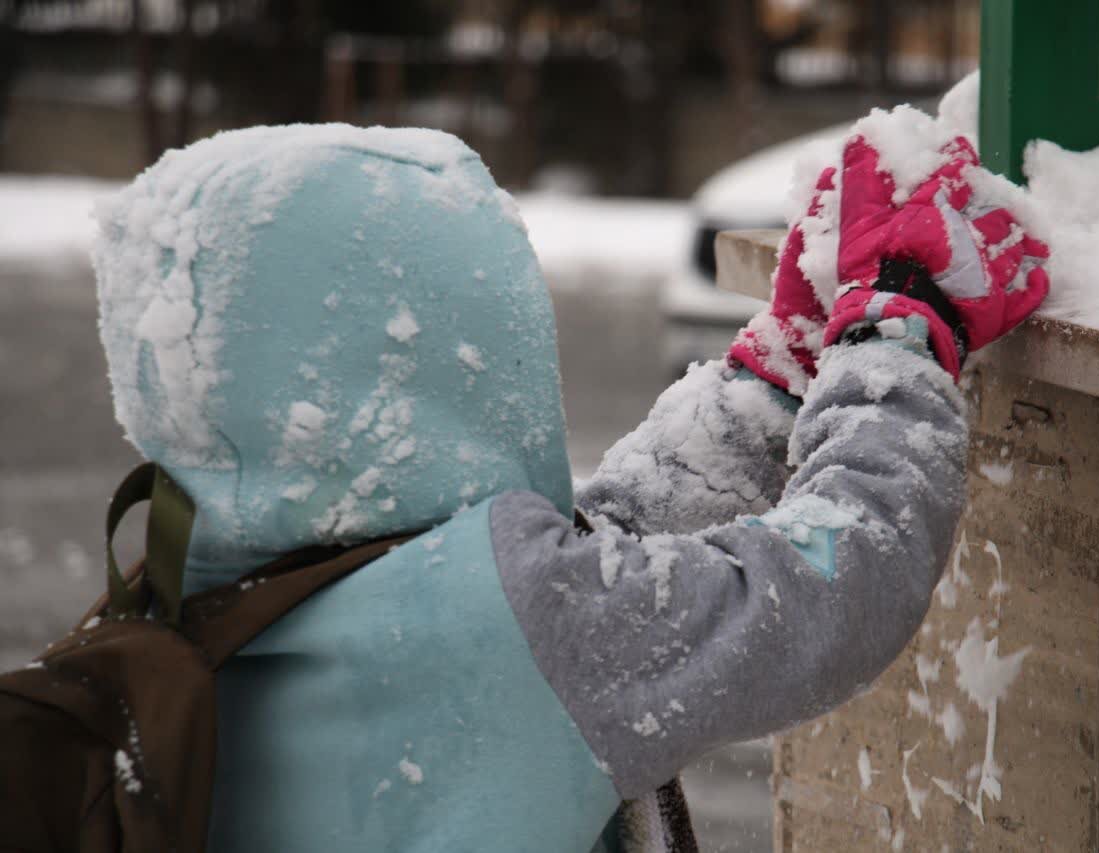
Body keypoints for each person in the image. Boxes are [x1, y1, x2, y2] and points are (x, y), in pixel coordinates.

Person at [91, 107, 1046, 852]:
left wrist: (774, 384)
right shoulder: (515, 629)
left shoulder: (188, 601)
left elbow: (592, 570)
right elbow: (840, 578)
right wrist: (897, 329)